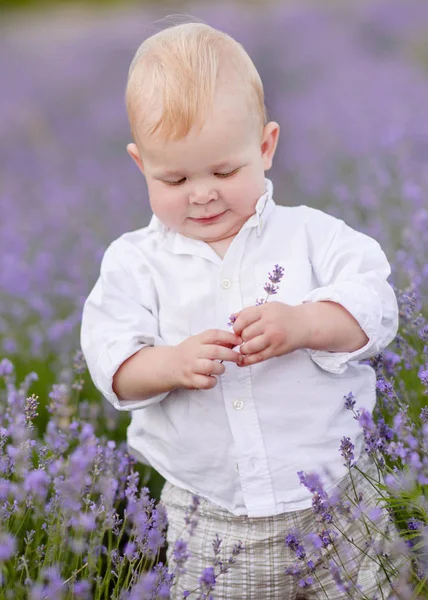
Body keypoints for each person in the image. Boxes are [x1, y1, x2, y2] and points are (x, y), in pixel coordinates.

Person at [80, 21, 404, 599]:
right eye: (174, 177)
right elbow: (112, 363)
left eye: (224, 172)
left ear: (265, 147)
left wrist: (307, 323)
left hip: (337, 502)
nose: (202, 193)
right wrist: (170, 362)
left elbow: (375, 305)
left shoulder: (313, 236)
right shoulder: (133, 263)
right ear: (140, 165)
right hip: (211, 518)